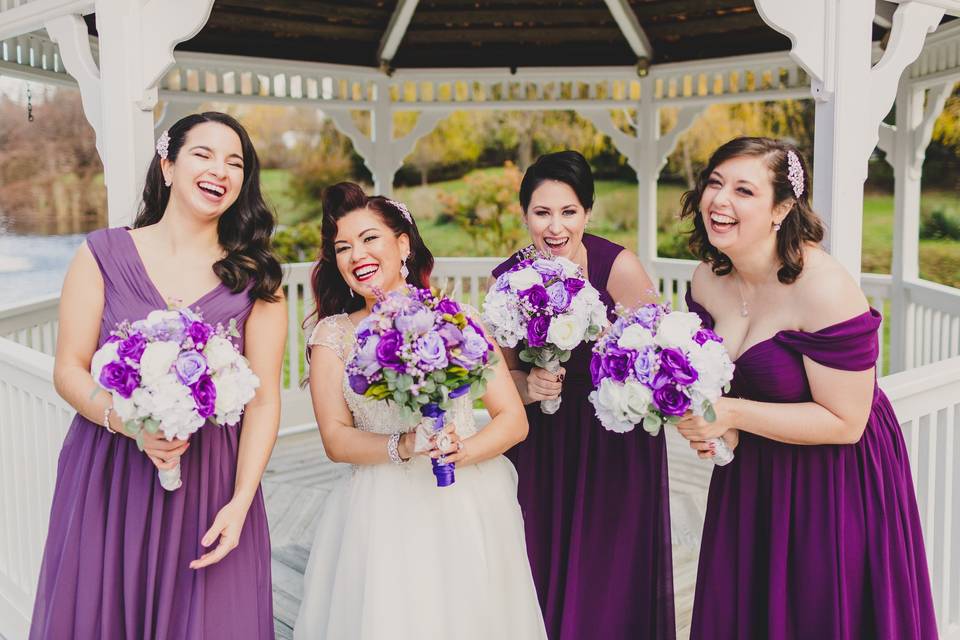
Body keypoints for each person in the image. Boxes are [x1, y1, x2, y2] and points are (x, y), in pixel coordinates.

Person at [30, 112, 286, 639]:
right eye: (204, 154)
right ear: (167, 165)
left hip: (211, 480)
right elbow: (68, 370)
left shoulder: (257, 278)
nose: (221, 170)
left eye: (235, 162)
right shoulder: (101, 254)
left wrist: (240, 503)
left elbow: (262, 402)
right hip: (110, 471)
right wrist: (128, 424)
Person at [677, 136, 936, 638]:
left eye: (744, 190)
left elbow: (847, 422)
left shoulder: (824, 286)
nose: (720, 200)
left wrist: (731, 415)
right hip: (755, 476)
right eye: (715, 183)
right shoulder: (707, 278)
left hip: (834, 480)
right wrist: (717, 429)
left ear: (783, 208)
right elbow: (718, 381)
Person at [293, 182, 547, 639]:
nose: (356, 256)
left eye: (370, 238)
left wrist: (462, 451)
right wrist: (405, 444)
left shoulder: (459, 320)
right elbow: (335, 438)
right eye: (343, 247)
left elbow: (514, 419)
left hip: (468, 500)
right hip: (382, 508)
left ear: (403, 243)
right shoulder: (332, 337)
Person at [491, 150, 676, 639]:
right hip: (541, 442)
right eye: (542, 212)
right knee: (538, 555)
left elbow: (657, 366)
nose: (555, 226)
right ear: (525, 213)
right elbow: (499, 378)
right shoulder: (508, 280)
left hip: (611, 439)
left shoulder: (619, 268)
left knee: (607, 561)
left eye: (568, 211)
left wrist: (612, 359)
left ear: (588, 212)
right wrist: (528, 387)